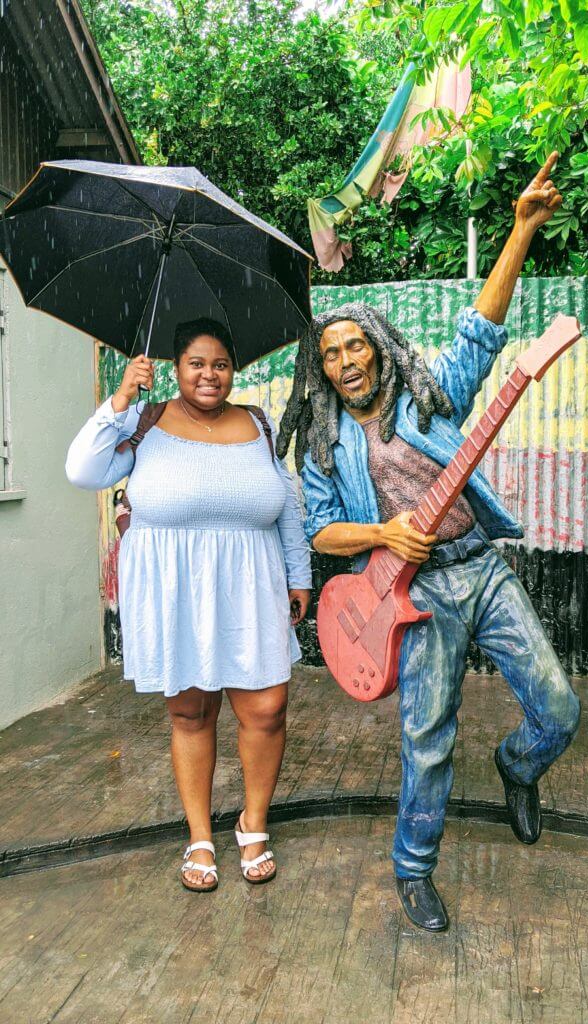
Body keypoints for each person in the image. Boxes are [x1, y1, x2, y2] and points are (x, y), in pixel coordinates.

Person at [277, 153, 580, 932]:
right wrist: (381, 532)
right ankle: (413, 870)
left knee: (557, 707)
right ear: (321, 368)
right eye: (331, 354)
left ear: (378, 344)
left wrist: (518, 230)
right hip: (410, 598)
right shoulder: (323, 442)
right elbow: (321, 530)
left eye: (355, 346)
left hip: (478, 568)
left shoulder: (430, 393)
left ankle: (517, 768)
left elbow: (479, 328)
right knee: (426, 737)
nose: (345, 361)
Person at [67, 317, 312, 891]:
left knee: (267, 708)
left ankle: (253, 823)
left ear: (234, 370)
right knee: (191, 713)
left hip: (253, 585)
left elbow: (286, 506)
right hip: (175, 593)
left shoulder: (257, 422)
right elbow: (81, 470)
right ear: (176, 369)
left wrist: (299, 575)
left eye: (220, 364)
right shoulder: (145, 422)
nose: (209, 374)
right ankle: (200, 835)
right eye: (196, 363)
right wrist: (122, 396)